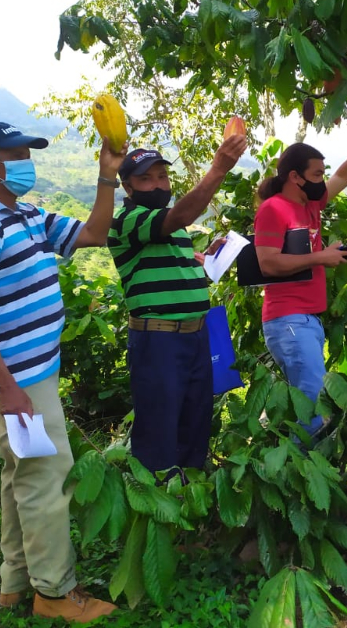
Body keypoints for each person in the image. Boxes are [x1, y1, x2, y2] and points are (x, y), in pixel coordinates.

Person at [0, 121, 124, 622]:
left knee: (19, 477)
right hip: (20, 380)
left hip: (35, 373)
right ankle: (55, 591)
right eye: (16, 154)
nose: (26, 162)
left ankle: (15, 580)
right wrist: (8, 390)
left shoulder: (25, 214)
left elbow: (92, 234)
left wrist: (106, 177)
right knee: (48, 480)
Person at [107, 135, 247, 475]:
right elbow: (177, 217)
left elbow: (167, 261)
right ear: (127, 187)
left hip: (196, 337)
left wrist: (199, 266)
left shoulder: (175, 228)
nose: (158, 184)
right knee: (159, 431)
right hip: (159, 341)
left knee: (195, 424)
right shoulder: (127, 220)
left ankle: (190, 508)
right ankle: (159, 507)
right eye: (146, 178)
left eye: (162, 177)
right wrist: (218, 169)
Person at [253, 112, 347, 438]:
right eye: (316, 174)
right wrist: (321, 257)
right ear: (295, 177)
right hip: (287, 320)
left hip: (308, 320)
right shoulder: (273, 209)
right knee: (312, 404)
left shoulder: (310, 205)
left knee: (304, 400)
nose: (322, 180)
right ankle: (303, 474)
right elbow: (267, 263)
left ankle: (277, 454)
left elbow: (343, 175)